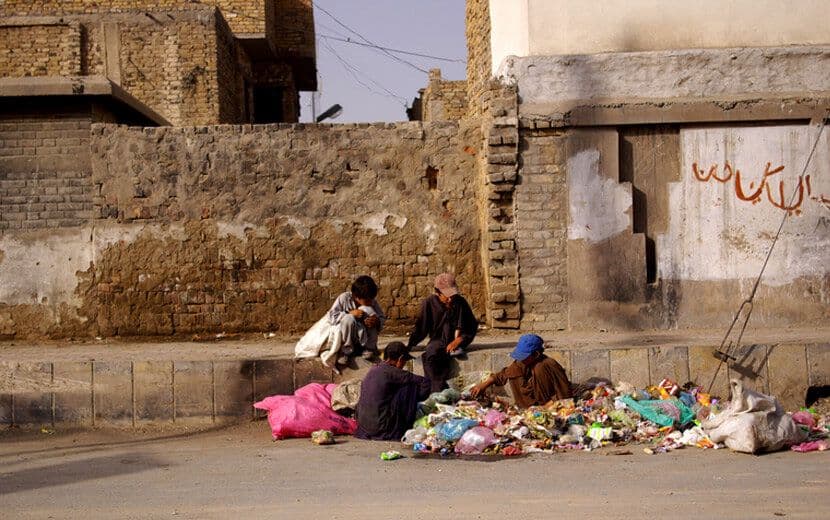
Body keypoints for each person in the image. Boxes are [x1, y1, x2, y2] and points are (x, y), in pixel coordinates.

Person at [294, 275, 385, 371]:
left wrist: (377, 321)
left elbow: (382, 317)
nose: (371, 302)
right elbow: (332, 316)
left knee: (369, 311)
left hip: (364, 338)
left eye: (371, 299)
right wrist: (349, 313)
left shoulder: (371, 302)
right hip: (348, 337)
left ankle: (369, 349)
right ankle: (346, 352)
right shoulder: (344, 298)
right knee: (348, 318)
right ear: (356, 297)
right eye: (367, 300)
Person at [407, 272, 477, 393]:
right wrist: (409, 345)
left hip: (458, 339)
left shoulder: (460, 302)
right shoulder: (429, 303)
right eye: (446, 296)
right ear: (438, 293)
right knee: (431, 355)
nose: (450, 299)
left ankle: (436, 391)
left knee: (438, 354)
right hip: (438, 340)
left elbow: (471, 326)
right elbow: (421, 328)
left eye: (452, 296)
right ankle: (436, 391)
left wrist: (459, 340)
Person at [355, 342, 431, 441]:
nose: (404, 365)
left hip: (364, 426)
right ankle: (403, 425)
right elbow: (425, 382)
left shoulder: (374, 369)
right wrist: (416, 399)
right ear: (400, 359)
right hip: (381, 428)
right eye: (404, 361)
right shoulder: (393, 372)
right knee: (410, 386)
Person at [470, 334, 571, 408]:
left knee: (539, 368)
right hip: (528, 407)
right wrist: (483, 384)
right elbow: (503, 374)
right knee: (514, 372)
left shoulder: (549, 364)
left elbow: (564, 391)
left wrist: (555, 406)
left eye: (524, 356)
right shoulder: (521, 363)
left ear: (536, 354)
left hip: (549, 404)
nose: (521, 359)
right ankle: (526, 408)